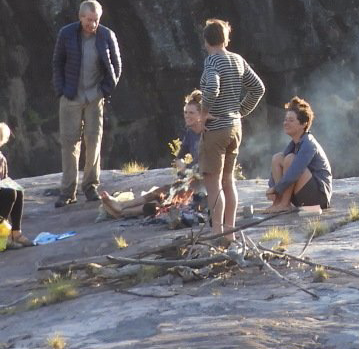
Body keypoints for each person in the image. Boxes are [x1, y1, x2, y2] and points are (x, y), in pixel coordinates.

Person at [51, 0, 123, 207]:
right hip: (71, 96)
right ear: (80, 17)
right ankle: (67, 191)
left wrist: (105, 91)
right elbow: (57, 63)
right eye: (89, 20)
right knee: (69, 143)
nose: (93, 24)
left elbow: (116, 66)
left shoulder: (107, 35)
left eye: (96, 20)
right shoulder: (66, 34)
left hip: (95, 97)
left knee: (94, 141)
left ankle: (90, 185)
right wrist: (61, 91)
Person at [198, 18, 264, 239]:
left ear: (206, 40)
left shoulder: (212, 61)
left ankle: (217, 233)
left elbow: (213, 87)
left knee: (213, 182)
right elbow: (258, 88)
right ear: (226, 38)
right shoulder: (237, 59)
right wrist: (240, 111)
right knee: (228, 180)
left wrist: (204, 113)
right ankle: (230, 233)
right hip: (235, 127)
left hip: (216, 128)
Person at [100, 92, 209, 222]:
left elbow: (207, 164)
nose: (187, 116)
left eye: (191, 113)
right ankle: (122, 205)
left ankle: (122, 212)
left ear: (200, 115)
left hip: (206, 184)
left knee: (168, 201)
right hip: (192, 178)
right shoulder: (190, 133)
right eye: (185, 112)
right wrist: (180, 163)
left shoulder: (208, 134)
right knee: (162, 191)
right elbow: (180, 155)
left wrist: (188, 171)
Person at [266, 96, 332, 213]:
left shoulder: (309, 143)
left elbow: (295, 171)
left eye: (291, 120)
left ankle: (285, 204)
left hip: (318, 198)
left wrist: (276, 189)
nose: (286, 123)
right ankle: (278, 203)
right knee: (278, 158)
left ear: (303, 124)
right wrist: (272, 188)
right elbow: (279, 169)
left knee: (290, 159)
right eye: (285, 120)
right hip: (302, 194)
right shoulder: (294, 144)